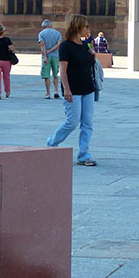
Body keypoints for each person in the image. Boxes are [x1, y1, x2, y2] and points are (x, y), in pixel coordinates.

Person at [47, 15, 97, 165]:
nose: (88, 29)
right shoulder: (66, 46)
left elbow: (89, 65)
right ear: (77, 27)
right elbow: (63, 70)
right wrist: (66, 89)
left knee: (87, 123)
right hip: (73, 89)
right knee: (72, 122)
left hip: (88, 88)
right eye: (86, 26)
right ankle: (51, 143)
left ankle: (84, 155)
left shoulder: (85, 45)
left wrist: (92, 55)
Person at [38, 19, 63, 99]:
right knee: (55, 74)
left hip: (46, 56)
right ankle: (56, 91)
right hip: (56, 56)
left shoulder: (41, 34)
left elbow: (42, 45)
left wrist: (45, 56)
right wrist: (51, 50)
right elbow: (59, 44)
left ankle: (48, 93)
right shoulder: (57, 33)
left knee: (46, 76)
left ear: (43, 27)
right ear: (51, 26)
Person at [0, 24, 16, 100]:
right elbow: (12, 49)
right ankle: (7, 92)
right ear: (3, 32)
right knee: (6, 77)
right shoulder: (7, 40)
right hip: (6, 61)